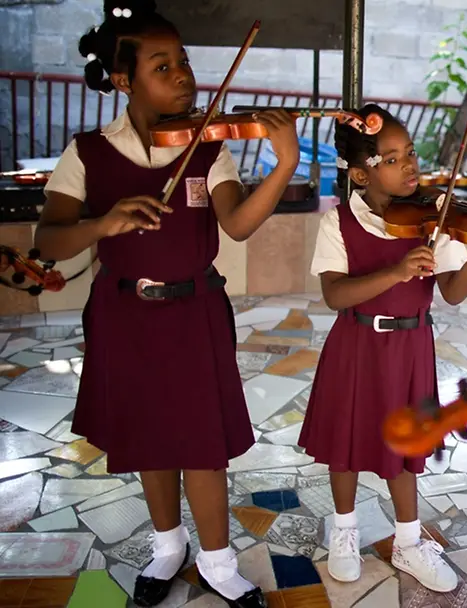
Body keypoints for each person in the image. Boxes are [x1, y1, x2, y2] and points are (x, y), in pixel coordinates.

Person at [35, 2, 299, 606]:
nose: (183, 75)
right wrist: (103, 223)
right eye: (162, 66)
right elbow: (49, 239)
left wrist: (283, 164)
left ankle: (217, 560)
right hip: (124, 316)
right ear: (123, 80)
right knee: (149, 440)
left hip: (195, 314)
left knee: (202, 445)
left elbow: (235, 224)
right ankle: (168, 548)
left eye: (183, 61)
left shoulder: (209, 147)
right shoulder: (88, 153)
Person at [298, 104, 467, 592]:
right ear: (360, 173)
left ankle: (409, 542)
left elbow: (452, 292)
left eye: (409, 152)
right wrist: (394, 271)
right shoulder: (340, 222)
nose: (409, 164)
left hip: (411, 346)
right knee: (345, 446)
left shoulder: (433, 219)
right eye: (391, 159)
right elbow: (334, 295)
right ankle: (344, 531)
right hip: (356, 343)